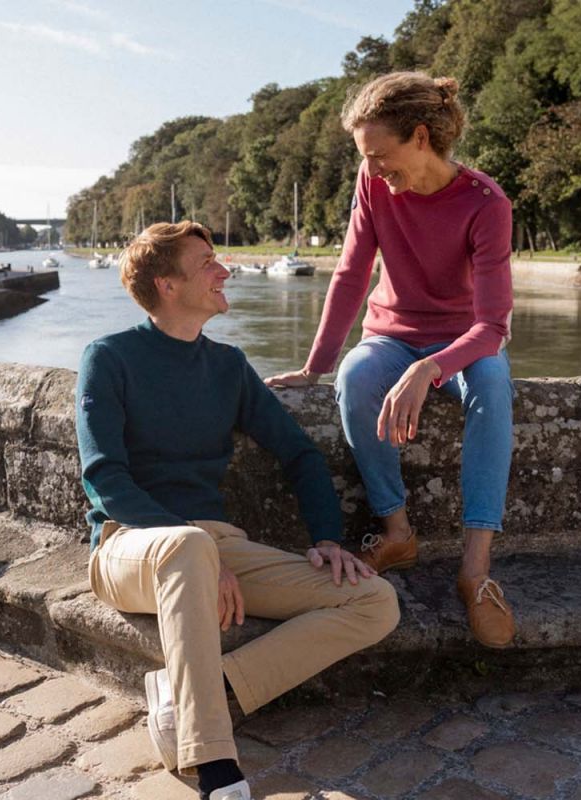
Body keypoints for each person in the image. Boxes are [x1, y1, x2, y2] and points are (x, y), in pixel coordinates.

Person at [76, 221, 398, 800]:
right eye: (206, 263)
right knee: (189, 546)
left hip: (217, 545)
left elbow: (298, 452)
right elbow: (104, 479)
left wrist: (327, 537)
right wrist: (193, 547)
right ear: (167, 285)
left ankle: (198, 691)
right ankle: (216, 768)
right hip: (128, 547)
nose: (223, 271)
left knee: (374, 600)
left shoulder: (227, 365)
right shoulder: (109, 358)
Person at [266, 72, 517, 649]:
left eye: (381, 156)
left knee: (494, 386)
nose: (373, 169)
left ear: (422, 137)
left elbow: (493, 327)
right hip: (391, 334)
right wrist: (317, 365)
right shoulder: (372, 182)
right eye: (367, 159)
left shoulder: (486, 203)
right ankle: (397, 532)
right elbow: (353, 273)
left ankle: (475, 571)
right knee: (356, 377)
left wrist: (430, 368)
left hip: (463, 342)